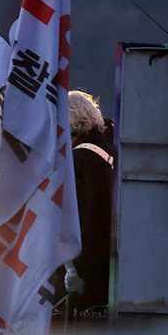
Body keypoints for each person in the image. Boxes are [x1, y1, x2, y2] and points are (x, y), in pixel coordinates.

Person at [65, 89, 115, 319]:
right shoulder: (112, 149)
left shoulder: (78, 160)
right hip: (113, 263)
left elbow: (79, 218)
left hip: (87, 269)